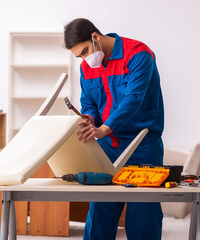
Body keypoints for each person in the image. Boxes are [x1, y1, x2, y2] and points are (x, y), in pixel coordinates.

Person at [63, 18, 164, 240]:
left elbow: (133, 100)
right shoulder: (87, 68)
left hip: (142, 147)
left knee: (143, 220)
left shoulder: (138, 54)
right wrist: (89, 118)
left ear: (95, 37)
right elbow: (89, 102)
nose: (84, 59)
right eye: (78, 56)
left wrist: (104, 128)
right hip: (107, 149)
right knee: (99, 215)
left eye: (84, 51)